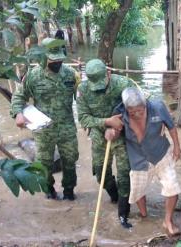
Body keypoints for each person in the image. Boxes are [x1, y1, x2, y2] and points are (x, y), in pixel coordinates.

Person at [106, 87, 181, 237]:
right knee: (138, 191)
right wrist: (111, 133)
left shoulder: (158, 107)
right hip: (138, 158)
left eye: (141, 110)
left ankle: (168, 221)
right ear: (126, 108)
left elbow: (171, 127)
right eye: (132, 112)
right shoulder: (119, 114)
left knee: (172, 186)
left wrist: (177, 147)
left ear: (145, 104)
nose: (137, 114)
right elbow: (114, 131)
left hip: (160, 153)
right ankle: (144, 215)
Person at [10, 37, 79, 201]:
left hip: (67, 127)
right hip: (43, 130)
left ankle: (69, 191)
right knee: (44, 164)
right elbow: (18, 97)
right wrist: (18, 114)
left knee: (70, 160)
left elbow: (82, 99)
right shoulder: (33, 76)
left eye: (60, 59)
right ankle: (49, 191)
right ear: (43, 58)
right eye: (53, 59)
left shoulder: (71, 74)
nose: (57, 62)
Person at [76, 58, 134, 228]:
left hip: (121, 134)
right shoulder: (83, 90)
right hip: (99, 135)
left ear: (108, 73)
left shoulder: (123, 84)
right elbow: (83, 118)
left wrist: (118, 127)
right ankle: (114, 196)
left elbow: (137, 109)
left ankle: (124, 213)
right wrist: (107, 122)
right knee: (101, 174)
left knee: (125, 172)